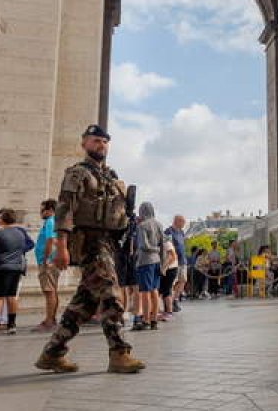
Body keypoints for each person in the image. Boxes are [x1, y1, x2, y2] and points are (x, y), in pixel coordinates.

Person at [35, 124, 144, 374]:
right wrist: (61, 247)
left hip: (108, 243)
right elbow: (64, 210)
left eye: (104, 141)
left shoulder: (112, 178)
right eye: (95, 140)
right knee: (112, 297)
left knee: (82, 304)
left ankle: (52, 353)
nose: (101, 145)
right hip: (88, 242)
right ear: (84, 143)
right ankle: (119, 353)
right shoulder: (78, 173)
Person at [0, 209, 33, 336]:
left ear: (1, 219)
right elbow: (26, 246)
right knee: (11, 296)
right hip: (15, 268)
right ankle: (12, 325)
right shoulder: (20, 233)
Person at [133, 201, 163, 330]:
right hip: (157, 261)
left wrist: (154, 249)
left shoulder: (142, 226)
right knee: (154, 290)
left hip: (145, 261)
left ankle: (145, 319)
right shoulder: (159, 224)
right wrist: (162, 263)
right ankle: (154, 319)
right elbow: (163, 245)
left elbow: (143, 245)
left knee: (144, 291)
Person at [33, 199, 60, 332]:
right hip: (51, 260)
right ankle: (51, 318)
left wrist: (45, 258)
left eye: (42, 210)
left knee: (49, 291)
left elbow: (51, 240)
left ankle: (49, 320)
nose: (40, 212)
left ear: (50, 210)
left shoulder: (50, 221)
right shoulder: (52, 221)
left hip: (47, 262)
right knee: (52, 290)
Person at [164, 215, 187, 311]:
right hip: (174, 261)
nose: (184, 224)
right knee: (172, 283)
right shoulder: (168, 231)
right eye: (183, 222)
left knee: (183, 280)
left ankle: (175, 299)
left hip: (183, 260)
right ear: (177, 221)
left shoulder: (182, 232)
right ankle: (168, 303)